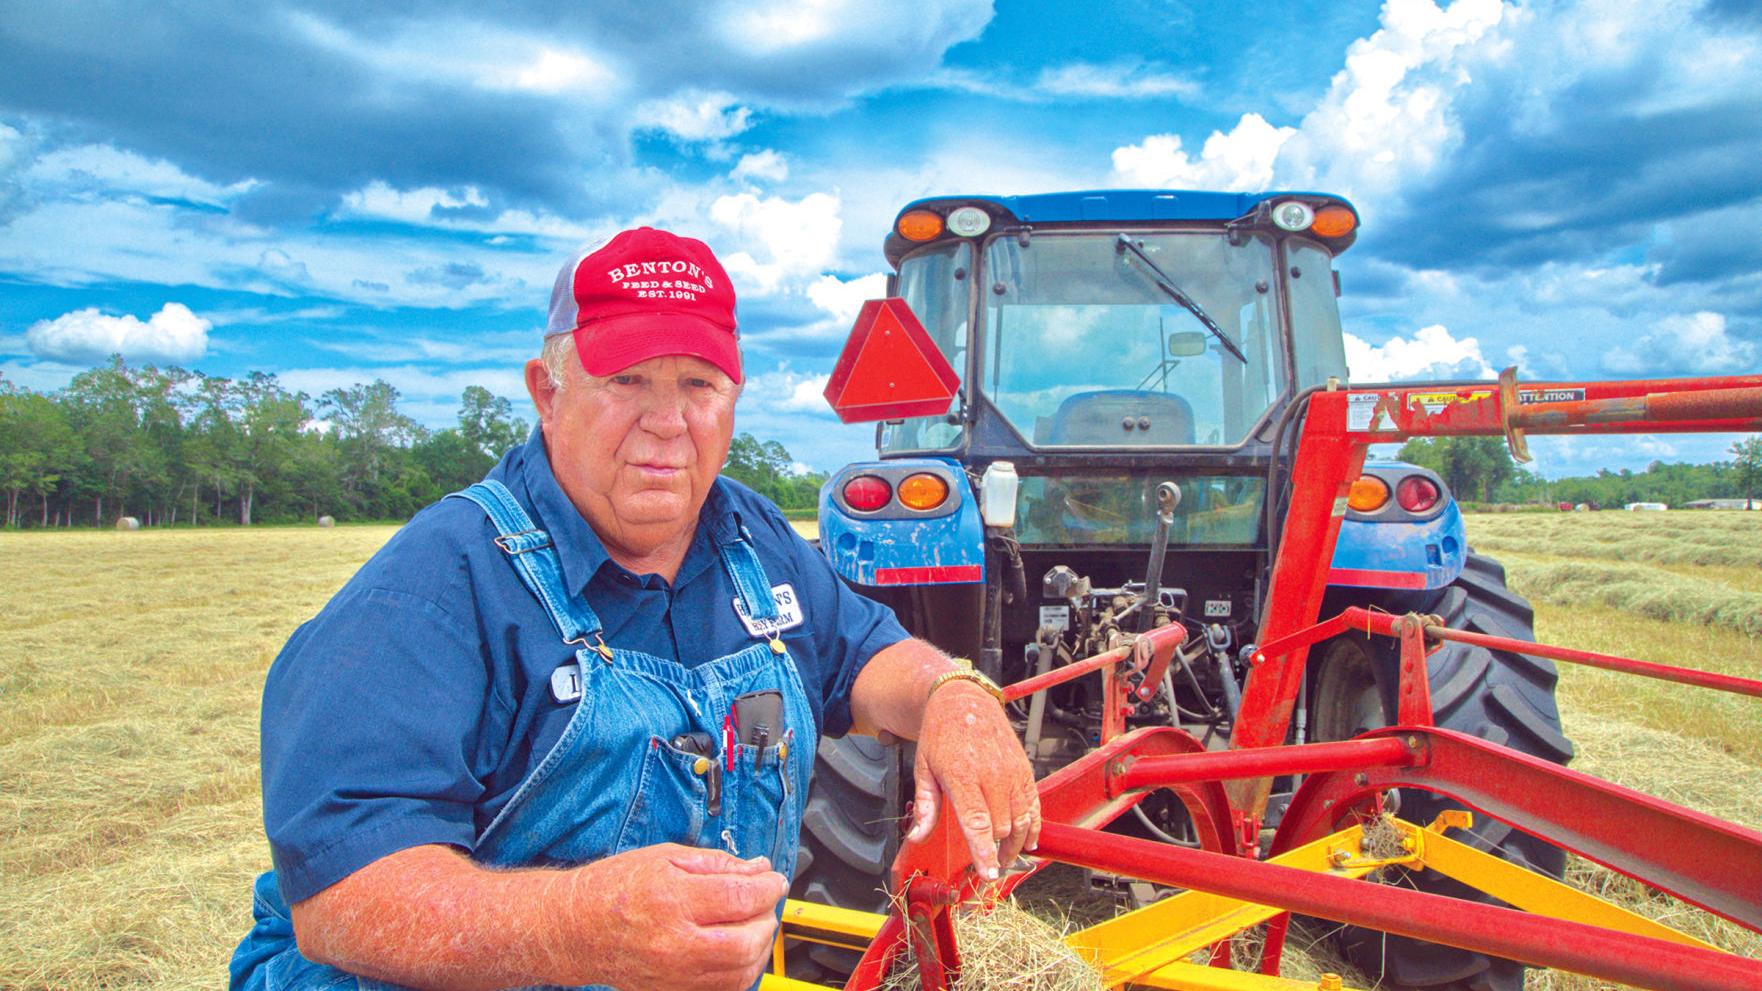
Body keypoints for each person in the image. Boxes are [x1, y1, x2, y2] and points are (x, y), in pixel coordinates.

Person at [230, 227, 1040, 991]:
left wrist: (951, 695)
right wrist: (581, 923)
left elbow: (866, 653)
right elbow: (343, 897)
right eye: (628, 381)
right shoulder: (434, 590)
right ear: (547, 391)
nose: (667, 422)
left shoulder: (749, 538)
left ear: (733, 396)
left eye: (698, 384)